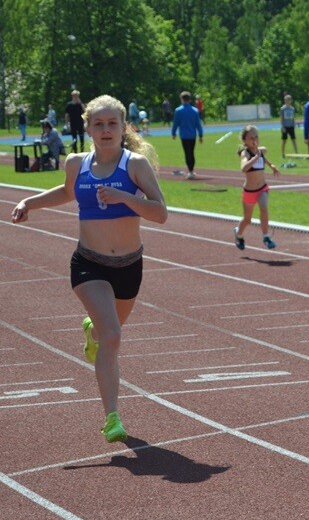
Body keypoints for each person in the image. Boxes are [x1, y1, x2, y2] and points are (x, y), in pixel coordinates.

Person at [11, 95, 167, 443]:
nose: (106, 130)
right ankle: (112, 417)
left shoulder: (135, 165)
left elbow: (160, 213)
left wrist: (125, 197)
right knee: (112, 336)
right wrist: (29, 203)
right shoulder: (76, 163)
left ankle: (91, 331)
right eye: (99, 124)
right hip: (89, 264)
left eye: (112, 124)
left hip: (128, 265)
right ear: (88, 128)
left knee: (106, 334)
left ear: (123, 127)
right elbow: (67, 192)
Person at [233, 125, 280, 250]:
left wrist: (272, 166)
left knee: (264, 208)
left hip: (262, 188)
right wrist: (255, 158)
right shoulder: (245, 153)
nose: (254, 139)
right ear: (245, 140)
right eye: (251, 138)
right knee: (247, 220)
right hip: (249, 191)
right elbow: (243, 168)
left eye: (256, 137)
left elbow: (263, 156)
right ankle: (238, 234)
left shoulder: (260, 151)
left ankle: (266, 236)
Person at [171, 90, 204, 179]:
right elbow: (198, 124)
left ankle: (190, 171)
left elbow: (176, 123)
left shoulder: (178, 110)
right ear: (189, 99)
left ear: (182, 99)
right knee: (191, 152)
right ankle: (191, 170)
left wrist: (173, 133)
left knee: (187, 153)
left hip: (184, 135)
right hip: (192, 135)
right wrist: (200, 135)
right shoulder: (195, 110)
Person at [278, 94, 298, 159]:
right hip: (285, 126)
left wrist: (294, 124)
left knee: (294, 140)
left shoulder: (292, 109)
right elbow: (281, 118)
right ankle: (282, 154)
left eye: (289, 100)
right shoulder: (282, 109)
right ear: (285, 101)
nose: (288, 101)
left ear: (291, 101)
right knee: (284, 141)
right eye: (286, 100)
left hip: (291, 126)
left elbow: (293, 118)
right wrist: (282, 126)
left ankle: (296, 153)